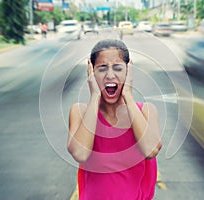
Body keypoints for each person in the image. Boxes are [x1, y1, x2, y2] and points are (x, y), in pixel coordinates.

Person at [68, 39, 162, 200]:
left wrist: (128, 96)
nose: (110, 75)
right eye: (102, 68)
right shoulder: (80, 112)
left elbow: (151, 150)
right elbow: (80, 153)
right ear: (91, 71)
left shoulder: (146, 111)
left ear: (128, 70)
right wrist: (95, 95)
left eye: (118, 68)